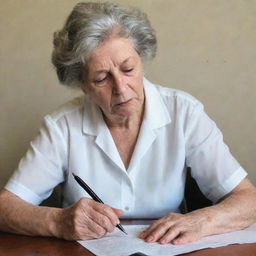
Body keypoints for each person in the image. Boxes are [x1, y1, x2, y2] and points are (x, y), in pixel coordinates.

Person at [0, 1, 256, 245]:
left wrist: (202, 221)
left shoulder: (184, 113)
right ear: (82, 85)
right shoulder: (61, 126)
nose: (121, 89)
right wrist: (58, 221)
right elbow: (5, 207)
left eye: (128, 69)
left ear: (142, 59)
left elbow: (248, 200)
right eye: (101, 78)